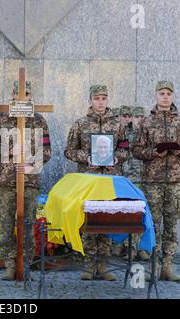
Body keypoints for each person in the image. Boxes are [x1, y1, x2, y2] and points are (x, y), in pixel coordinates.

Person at [0, 80, 52, 280]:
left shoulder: (38, 120)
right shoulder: (0, 117)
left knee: (28, 223)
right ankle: (9, 264)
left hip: (30, 180)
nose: (24, 97)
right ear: (14, 95)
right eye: (20, 94)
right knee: (6, 223)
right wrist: (10, 152)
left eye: (27, 94)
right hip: (6, 180)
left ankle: (25, 265)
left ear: (31, 96)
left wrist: (32, 165)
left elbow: (47, 150)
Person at [65, 84, 129, 281]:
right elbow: (69, 151)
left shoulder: (118, 125)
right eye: (96, 98)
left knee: (107, 221)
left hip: (110, 180)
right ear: (90, 100)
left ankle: (103, 266)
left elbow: (126, 149)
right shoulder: (80, 124)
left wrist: (117, 157)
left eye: (103, 98)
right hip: (89, 179)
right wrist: (87, 157)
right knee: (89, 221)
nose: (100, 102)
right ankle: (88, 265)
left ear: (107, 100)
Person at [133, 81, 180, 282]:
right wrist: (153, 152)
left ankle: (167, 266)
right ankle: (154, 265)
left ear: (173, 96)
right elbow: (136, 150)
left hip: (176, 181)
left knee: (171, 225)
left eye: (169, 93)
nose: (165, 96)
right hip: (152, 181)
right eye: (162, 93)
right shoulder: (146, 122)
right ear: (156, 96)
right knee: (153, 224)